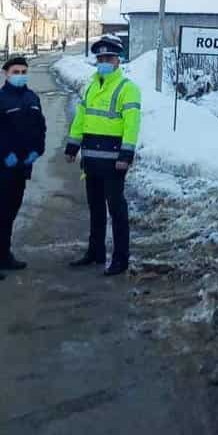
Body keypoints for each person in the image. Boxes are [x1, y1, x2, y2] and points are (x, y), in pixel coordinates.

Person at [64, 36, 141, 276]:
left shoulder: (127, 88)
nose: (104, 62)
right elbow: (81, 118)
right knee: (95, 208)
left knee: (116, 210)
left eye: (108, 58)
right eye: (100, 58)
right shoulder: (91, 86)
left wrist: (126, 155)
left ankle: (120, 259)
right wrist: (72, 146)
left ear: (118, 60)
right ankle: (95, 252)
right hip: (91, 159)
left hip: (114, 161)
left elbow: (132, 125)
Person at [0, 55, 47, 281]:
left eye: (23, 72)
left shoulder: (32, 98)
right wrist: (4, 154)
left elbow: (40, 129)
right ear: (6, 74)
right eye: (15, 72)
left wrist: (38, 150)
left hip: (21, 167)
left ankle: (4, 255)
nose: (20, 75)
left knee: (10, 212)